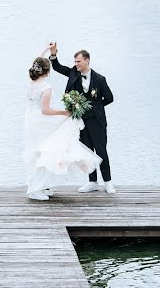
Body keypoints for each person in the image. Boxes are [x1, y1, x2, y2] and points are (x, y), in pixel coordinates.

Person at [23, 45, 102, 200]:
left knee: (40, 151)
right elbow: (45, 110)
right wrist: (65, 113)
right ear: (47, 71)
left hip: (30, 120)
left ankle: (43, 185)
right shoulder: (46, 87)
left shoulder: (30, 82)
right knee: (50, 148)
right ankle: (34, 190)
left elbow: (38, 60)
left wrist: (47, 50)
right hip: (41, 122)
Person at [49, 43, 116, 193]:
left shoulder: (100, 79)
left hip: (97, 121)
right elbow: (59, 68)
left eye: (78, 61)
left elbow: (110, 98)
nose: (76, 64)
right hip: (80, 122)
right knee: (87, 151)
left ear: (87, 61)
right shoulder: (73, 73)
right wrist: (53, 55)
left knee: (101, 151)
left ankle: (108, 182)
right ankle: (92, 182)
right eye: (75, 62)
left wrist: (95, 107)